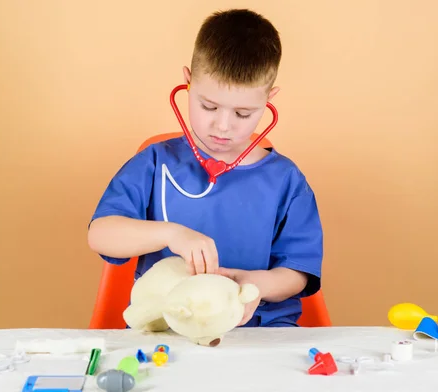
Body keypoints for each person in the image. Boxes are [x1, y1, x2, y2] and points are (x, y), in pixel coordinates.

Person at [88, 8, 323, 328]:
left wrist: (252, 285)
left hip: (259, 333)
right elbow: (101, 234)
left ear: (270, 100)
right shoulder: (155, 164)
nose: (222, 126)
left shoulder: (285, 181)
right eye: (208, 106)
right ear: (187, 84)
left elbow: (297, 272)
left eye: (243, 113)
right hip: (171, 332)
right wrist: (171, 234)